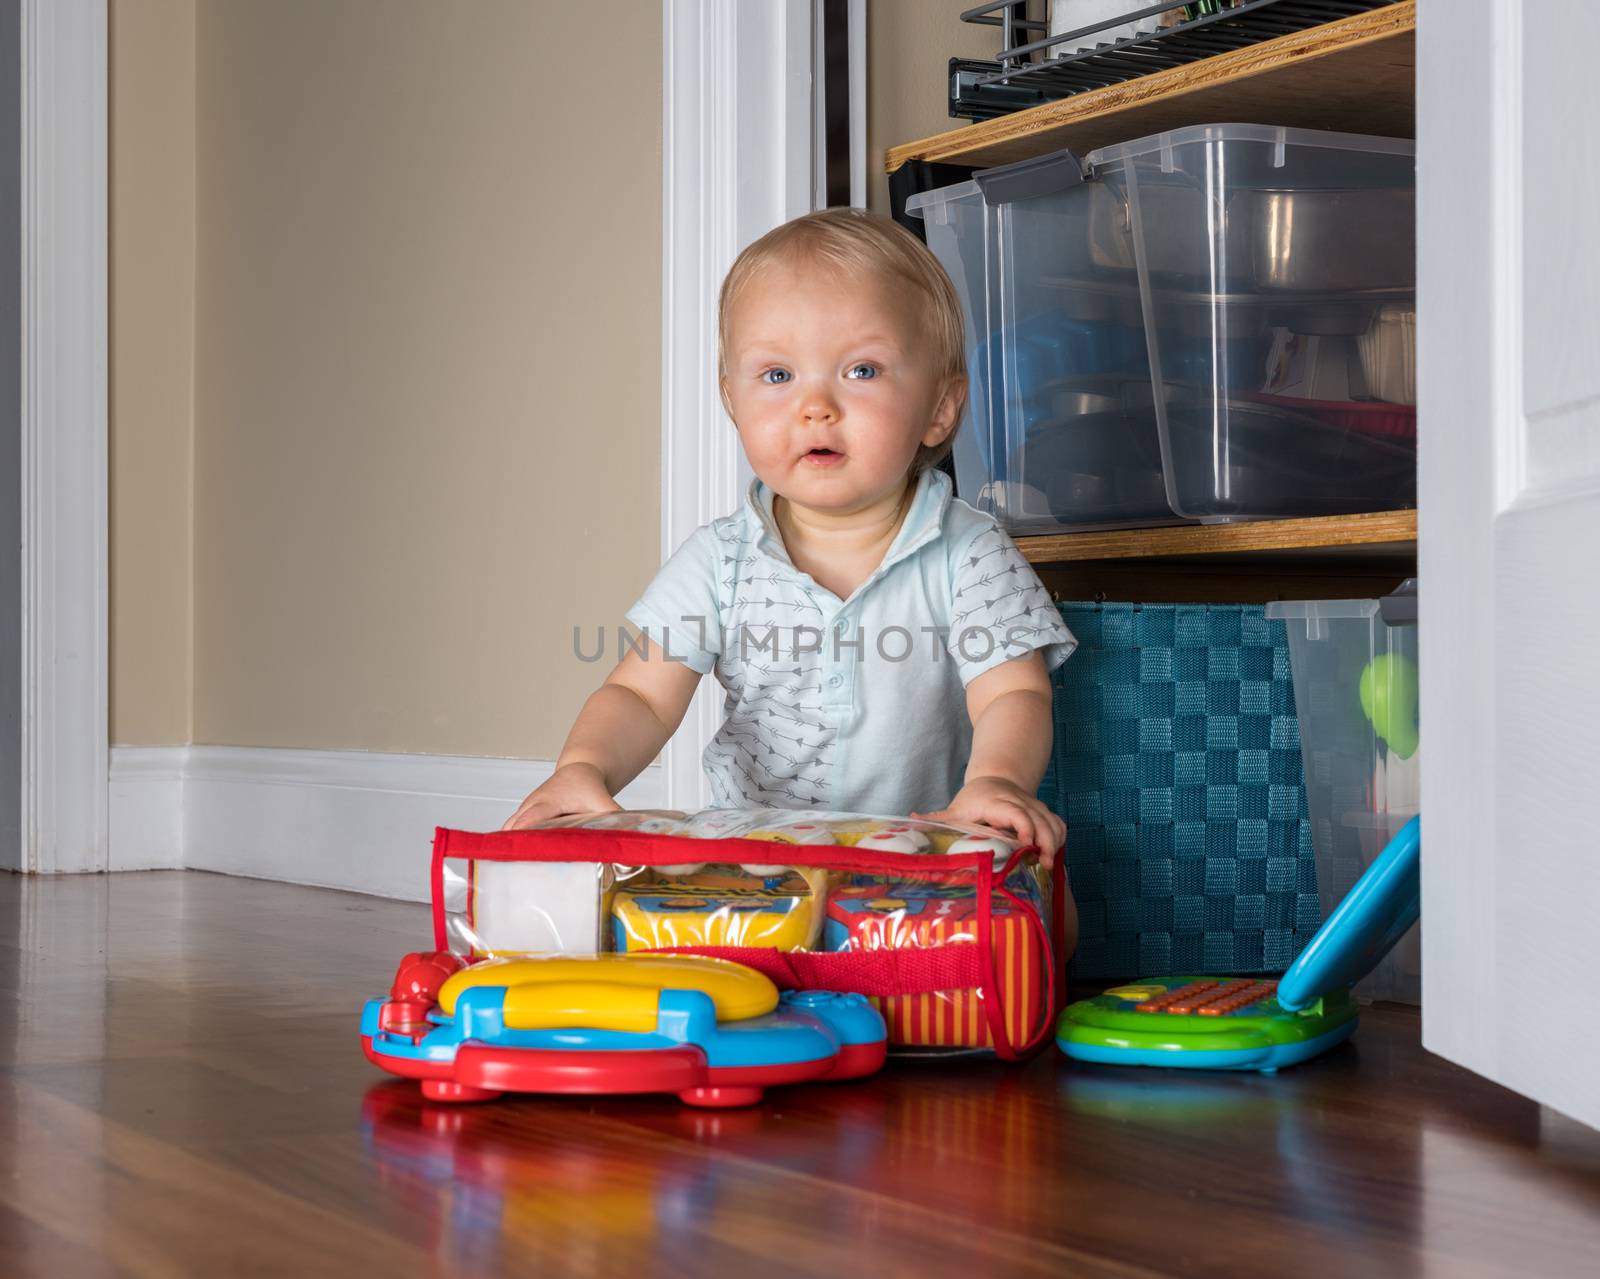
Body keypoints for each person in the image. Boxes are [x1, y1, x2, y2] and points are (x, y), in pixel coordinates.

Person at [503, 208, 1076, 862]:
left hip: (915, 860)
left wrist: (995, 782)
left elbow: (1013, 690)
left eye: (861, 370)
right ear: (731, 399)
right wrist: (584, 766)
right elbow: (639, 693)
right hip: (754, 860)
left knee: (1044, 906)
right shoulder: (720, 560)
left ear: (940, 408)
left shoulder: (968, 552)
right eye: (778, 375)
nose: (816, 406)